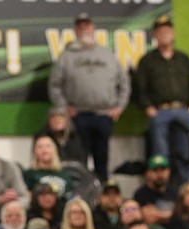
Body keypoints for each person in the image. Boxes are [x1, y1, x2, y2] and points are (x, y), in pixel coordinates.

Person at [48, 12, 129, 180]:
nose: (84, 30)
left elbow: (124, 83)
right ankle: (81, 192)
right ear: (75, 30)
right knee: (79, 157)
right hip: (78, 116)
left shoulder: (108, 54)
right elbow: (54, 85)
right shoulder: (66, 56)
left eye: (87, 26)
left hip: (104, 115)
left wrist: (119, 107)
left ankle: (103, 193)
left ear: (93, 29)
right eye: (80, 27)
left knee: (102, 157)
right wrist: (64, 108)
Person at [135, 15, 189, 182]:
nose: (164, 34)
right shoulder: (147, 60)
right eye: (160, 32)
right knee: (160, 152)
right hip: (160, 111)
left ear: (173, 34)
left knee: (185, 150)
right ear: (155, 35)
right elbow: (140, 87)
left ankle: (186, 185)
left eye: (167, 31)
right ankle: (162, 184)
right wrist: (149, 108)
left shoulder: (183, 59)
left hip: (183, 110)